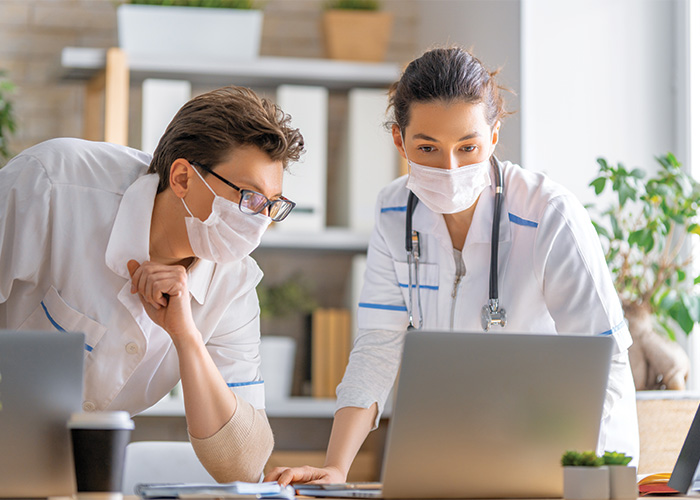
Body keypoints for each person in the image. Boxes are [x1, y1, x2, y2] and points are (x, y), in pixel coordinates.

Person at [265, 46, 639, 485]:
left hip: (574, 461)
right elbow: (376, 349)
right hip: (463, 452)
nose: (450, 167)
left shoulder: (549, 215)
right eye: (427, 147)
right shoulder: (393, 212)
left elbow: (603, 360)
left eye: (468, 146)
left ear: (494, 136)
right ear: (399, 141)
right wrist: (336, 467)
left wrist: (577, 474)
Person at [0, 86, 304, 482]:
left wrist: (186, 336)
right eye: (248, 197)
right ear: (181, 177)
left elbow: (243, 465)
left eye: (271, 205)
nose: (259, 220)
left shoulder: (234, 281)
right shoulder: (51, 184)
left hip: (75, 480)